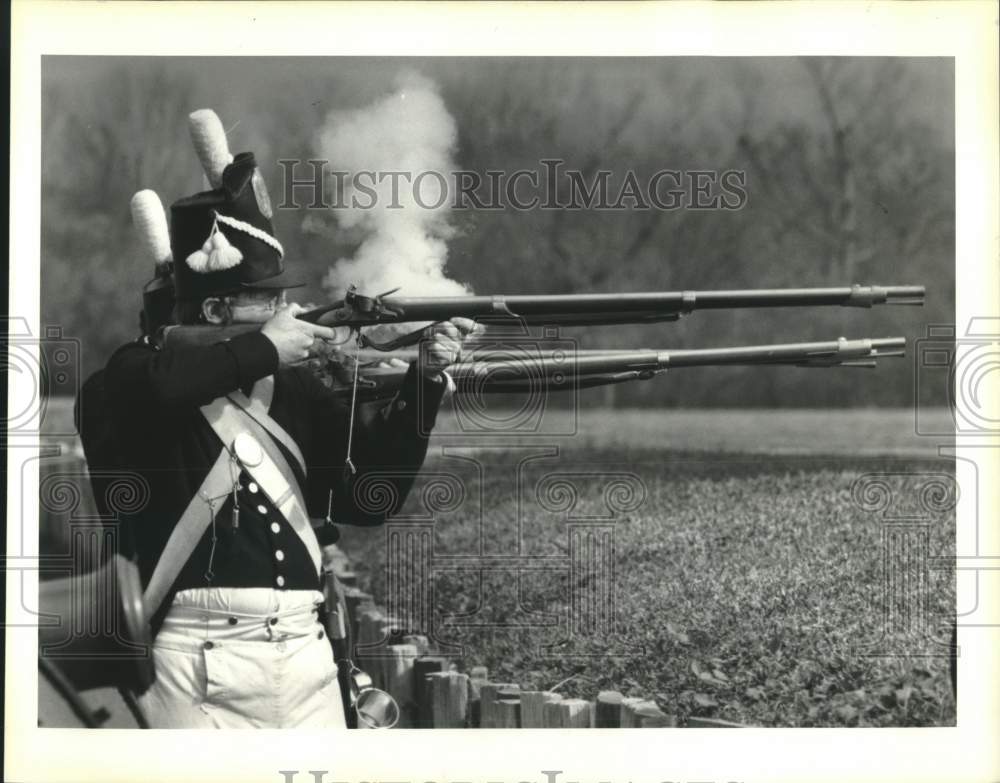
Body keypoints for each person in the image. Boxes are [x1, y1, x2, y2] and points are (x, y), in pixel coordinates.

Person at [102, 147, 476, 728]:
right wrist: (264, 349)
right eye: (267, 300)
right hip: (193, 660)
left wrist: (423, 383)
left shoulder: (293, 388)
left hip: (305, 655)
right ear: (219, 309)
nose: (284, 308)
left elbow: (367, 499)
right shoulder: (131, 378)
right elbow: (156, 387)